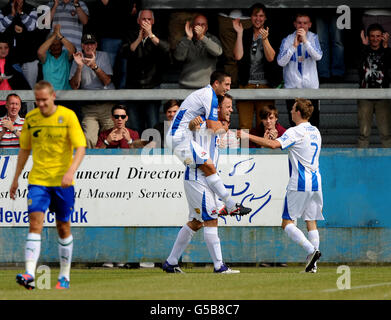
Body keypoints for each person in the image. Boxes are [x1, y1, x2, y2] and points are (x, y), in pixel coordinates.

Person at [10, 80, 86, 290]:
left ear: (53, 96)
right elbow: (25, 149)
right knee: (35, 223)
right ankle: (29, 273)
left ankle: (64, 276)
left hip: (63, 182)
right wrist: (16, 178)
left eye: (44, 100)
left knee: (63, 227)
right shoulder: (32, 119)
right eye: (38, 100)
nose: (41, 104)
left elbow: (81, 147)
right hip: (38, 180)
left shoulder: (67, 116)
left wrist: (70, 171)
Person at [238, 98, 323, 273]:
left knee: (287, 223)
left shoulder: (295, 131)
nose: (290, 111)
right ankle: (312, 266)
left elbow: (273, 145)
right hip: (316, 182)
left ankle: (311, 251)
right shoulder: (315, 131)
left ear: (298, 112)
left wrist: (247, 136)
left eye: (292, 109)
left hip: (299, 182)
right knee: (311, 221)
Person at [163, 93, 241, 274]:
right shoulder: (205, 122)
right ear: (218, 108)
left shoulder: (220, 126)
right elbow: (191, 127)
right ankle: (219, 266)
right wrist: (192, 125)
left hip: (203, 178)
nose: (231, 109)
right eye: (228, 106)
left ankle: (171, 261)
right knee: (211, 218)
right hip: (198, 177)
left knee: (196, 222)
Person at [166, 71, 251, 219]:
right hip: (179, 137)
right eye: (227, 84)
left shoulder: (205, 96)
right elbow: (212, 126)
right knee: (208, 166)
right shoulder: (209, 96)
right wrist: (224, 128)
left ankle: (222, 205)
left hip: (178, 138)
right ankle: (230, 205)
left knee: (196, 222)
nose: (229, 88)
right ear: (216, 83)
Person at [123, 9, 170, 134]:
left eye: (149, 19)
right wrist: (139, 38)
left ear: (153, 21)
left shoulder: (159, 33)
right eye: (144, 19)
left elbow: (166, 49)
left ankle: (152, 152)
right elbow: (125, 52)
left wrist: (151, 35)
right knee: (134, 126)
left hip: (152, 85)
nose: (146, 22)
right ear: (138, 21)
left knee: (152, 125)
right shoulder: (130, 34)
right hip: (133, 86)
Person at [233, 2, 279, 130]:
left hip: (265, 85)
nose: (258, 19)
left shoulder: (271, 33)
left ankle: (263, 150)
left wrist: (265, 40)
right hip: (246, 85)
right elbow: (238, 56)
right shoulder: (245, 33)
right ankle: (245, 151)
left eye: (261, 16)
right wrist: (239, 34)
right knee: (244, 126)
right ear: (250, 17)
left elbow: (271, 58)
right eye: (255, 15)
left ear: (265, 18)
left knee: (265, 125)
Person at [69, 33, 115, 148]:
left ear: (96, 45)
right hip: (88, 107)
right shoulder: (77, 58)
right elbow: (74, 86)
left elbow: (107, 81)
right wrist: (79, 66)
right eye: (86, 44)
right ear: (82, 46)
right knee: (89, 138)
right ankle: (93, 165)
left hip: (106, 105)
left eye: (92, 44)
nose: (89, 47)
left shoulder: (103, 56)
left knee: (111, 137)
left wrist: (94, 66)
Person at [277, 13, 322, 128]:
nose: (302, 26)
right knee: (295, 126)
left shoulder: (313, 37)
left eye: (305, 23)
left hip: (311, 90)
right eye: (299, 23)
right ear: (295, 24)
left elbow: (318, 56)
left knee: (313, 125)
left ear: (310, 25)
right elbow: (280, 62)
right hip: (293, 90)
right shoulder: (287, 39)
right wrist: (294, 46)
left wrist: (306, 42)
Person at [357, 23, 391, 148]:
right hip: (365, 96)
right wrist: (364, 46)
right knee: (363, 134)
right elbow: (358, 66)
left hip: (383, 97)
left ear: (382, 37)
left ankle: (388, 164)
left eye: (378, 36)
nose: (375, 39)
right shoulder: (364, 51)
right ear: (368, 37)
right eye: (372, 36)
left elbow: (389, 66)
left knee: (386, 134)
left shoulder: (386, 51)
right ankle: (361, 163)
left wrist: (386, 46)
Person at [174, 14, 223, 89]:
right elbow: (179, 57)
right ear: (192, 26)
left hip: (207, 86)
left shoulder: (212, 39)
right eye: (197, 24)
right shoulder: (185, 39)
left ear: (207, 27)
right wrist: (188, 39)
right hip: (186, 85)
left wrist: (202, 37)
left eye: (203, 24)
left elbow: (218, 52)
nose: (200, 27)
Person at [0, 0, 40, 89]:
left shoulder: (31, 9)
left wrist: (21, 13)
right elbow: (0, 27)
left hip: (29, 57)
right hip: (11, 60)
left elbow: (32, 26)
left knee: (29, 91)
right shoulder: (3, 10)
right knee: (13, 89)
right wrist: (12, 15)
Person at [37, 24, 75, 91]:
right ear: (49, 46)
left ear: (61, 45)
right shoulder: (46, 56)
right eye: (52, 45)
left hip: (65, 94)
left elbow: (73, 50)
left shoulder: (65, 54)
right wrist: (54, 35)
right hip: (49, 95)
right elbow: (40, 52)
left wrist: (59, 35)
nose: (55, 47)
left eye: (57, 44)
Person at [0, 36, 30, 111]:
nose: (3, 50)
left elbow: (23, 83)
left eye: (6, 47)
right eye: (0, 48)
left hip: (12, 104)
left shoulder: (14, 64)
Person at [316, 12, 345, 83]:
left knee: (337, 42)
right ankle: (323, 74)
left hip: (337, 8)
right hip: (319, 7)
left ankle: (337, 73)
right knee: (321, 42)